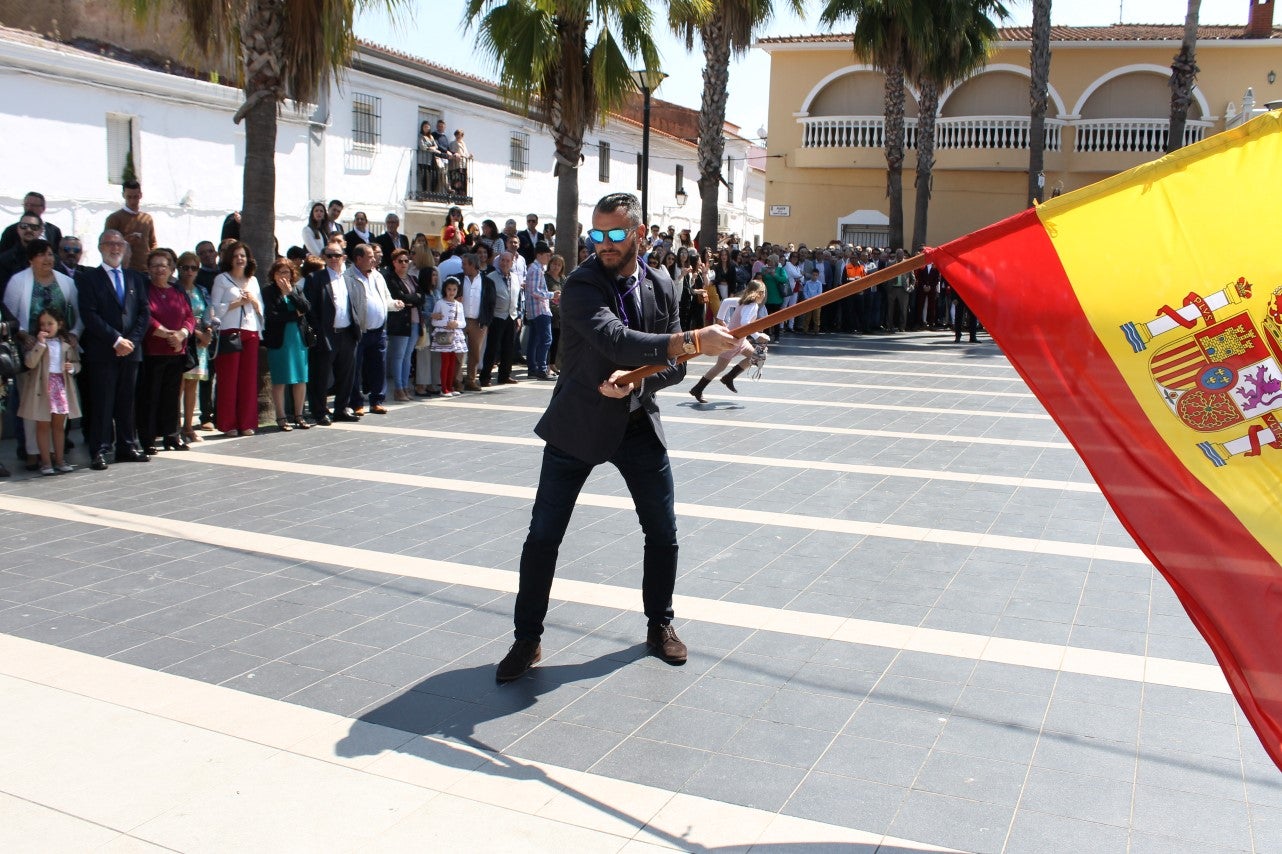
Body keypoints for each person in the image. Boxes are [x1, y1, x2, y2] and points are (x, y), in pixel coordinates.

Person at [495, 192, 739, 683]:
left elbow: (672, 367)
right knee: (543, 535)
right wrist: (693, 340)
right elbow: (615, 340)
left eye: (614, 234)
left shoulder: (662, 284)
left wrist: (638, 382)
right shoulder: (583, 283)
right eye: (597, 233)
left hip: (637, 422)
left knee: (662, 531)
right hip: (577, 423)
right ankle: (527, 639)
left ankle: (660, 624)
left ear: (639, 234)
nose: (603, 243)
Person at [76, 229, 151, 469]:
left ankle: (127, 446)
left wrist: (132, 341)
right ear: (100, 247)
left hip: (131, 351)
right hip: (104, 351)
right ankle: (100, 449)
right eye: (110, 244)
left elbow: (144, 312)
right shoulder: (89, 278)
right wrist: (116, 340)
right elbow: (89, 314)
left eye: (119, 244)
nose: (115, 248)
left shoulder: (135, 278)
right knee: (102, 402)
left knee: (127, 401)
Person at [137, 249, 195, 453]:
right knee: (151, 397)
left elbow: (190, 316)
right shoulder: (145, 290)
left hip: (176, 352)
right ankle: (148, 439)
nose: (159, 269)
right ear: (148, 269)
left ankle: (172, 436)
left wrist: (182, 334)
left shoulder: (177, 291)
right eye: (154, 265)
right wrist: (165, 333)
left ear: (171, 269)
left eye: (163, 265)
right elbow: (144, 315)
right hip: (152, 353)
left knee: (172, 398)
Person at [210, 240, 263, 437]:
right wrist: (236, 303)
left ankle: (247, 422)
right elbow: (214, 309)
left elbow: (260, 308)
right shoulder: (221, 279)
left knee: (248, 380)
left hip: (251, 332)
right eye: (235, 256)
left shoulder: (253, 280)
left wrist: (254, 301)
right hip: (230, 332)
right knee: (229, 380)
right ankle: (228, 424)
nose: (240, 259)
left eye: (243, 255)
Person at [18, 307, 80, 475]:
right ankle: (45, 462)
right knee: (42, 425)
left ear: (59, 324)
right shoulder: (37, 343)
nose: (45, 327)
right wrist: (40, 344)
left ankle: (59, 459)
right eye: (42, 324)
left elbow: (77, 363)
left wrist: (72, 367)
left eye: (50, 324)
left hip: (60, 386)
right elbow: (30, 363)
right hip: (42, 388)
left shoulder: (65, 344)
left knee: (58, 426)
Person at [304, 239, 360, 424]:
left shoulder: (348, 279)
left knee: (346, 375)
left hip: (347, 333)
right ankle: (319, 411)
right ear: (324, 257)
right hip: (326, 334)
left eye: (337, 255)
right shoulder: (315, 278)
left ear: (344, 257)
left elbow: (353, 305)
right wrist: (319, 332)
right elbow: (310, 309)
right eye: (329, 255)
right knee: (320, 375)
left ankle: (341, 409)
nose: (334, 259)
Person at [688, 280, 769, 403]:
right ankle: (698, 388)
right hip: (731, 342)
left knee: (757, 357)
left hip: (739, 341)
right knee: (719, 367)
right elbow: (745, 322)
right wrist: (757, 336)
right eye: (763, 293)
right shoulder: (752, 305)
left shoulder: (743, 301)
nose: (764, 296)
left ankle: (728, 378)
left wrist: (720, 318)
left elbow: (726, 302)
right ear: (760, 293)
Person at [345, 243, 403, 415]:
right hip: (359, 331)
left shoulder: (377, 276)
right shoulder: (348, 277)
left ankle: (377, 401)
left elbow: (386, 299)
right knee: (355, 369)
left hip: (379, 330)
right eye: (370, 257)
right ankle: (356, 403)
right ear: (358, 259)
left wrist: (394, 304)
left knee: (379, 367)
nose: (374, 259)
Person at [261, 259, 312, 430]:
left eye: (286, 272)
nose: (283, 276)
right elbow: (272, 315)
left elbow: (306, 308)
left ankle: (299, 415)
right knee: (280, 379)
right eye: (279, 272)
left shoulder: (296, 289)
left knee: (300, 378)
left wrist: (290, 293)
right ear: (273, 275)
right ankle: (281, 417)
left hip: (298, 339)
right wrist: (294, 315)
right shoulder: (268, 292)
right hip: (279, 340)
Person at [175, 252, 213, 443]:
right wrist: (197, 334)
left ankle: (188, 427)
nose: (189, 271)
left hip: (200, 345)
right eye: (185, 267)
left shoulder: (202, 290)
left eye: (194, 268)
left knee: (193, 386)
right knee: (179, 386)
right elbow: (177, 316)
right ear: (178, 268)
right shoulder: (175, 289)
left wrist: (208, 332)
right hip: (183, 340)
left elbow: (208, 313)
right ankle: (175, 427)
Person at [384, 248, 424, 401]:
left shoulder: (413, 279)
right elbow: (399, 297)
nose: (404, 263)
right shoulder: (391, 279)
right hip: (400, 322)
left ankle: (405, 387)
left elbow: (422, 297)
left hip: (415, 321)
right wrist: (413, 298)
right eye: (400, 261)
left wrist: (411, 299)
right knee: (398, 356)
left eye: (406, 261)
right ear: (394, 262)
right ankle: (398, 388)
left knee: (408, 356)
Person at [480, 251, 521, 387]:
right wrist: (486, 319)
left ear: (512, 263)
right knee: (492, 348)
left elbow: (519, 298)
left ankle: (505, 375)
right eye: (502, 260)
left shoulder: (515, 277)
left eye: (507, 261)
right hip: (496, 317)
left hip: (512, 316)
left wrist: (519, 316)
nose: (504, 263)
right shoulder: (490, 277)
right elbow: (486, 300)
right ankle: (485, 377)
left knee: (508, 348)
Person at [104, 181, 157, 273]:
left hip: (145, 271)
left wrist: (153, 262)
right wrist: (124, 241)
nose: (132, 201)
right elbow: (106, 245)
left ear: (140, 195)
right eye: (129, 197)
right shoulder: (114, 218)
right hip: (124, 270)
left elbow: (153, 243)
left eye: (135, 197)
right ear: (123, 195)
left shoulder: (147, 219)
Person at [430, 276, 467, 396]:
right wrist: (447, 323)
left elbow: (463, 322)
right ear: (445, 289)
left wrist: (456, 324)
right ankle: (444, 388)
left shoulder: (459, 305)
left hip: (455, 335)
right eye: (449, 289)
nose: (451, 292)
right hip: (444, 335)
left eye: (454, 289)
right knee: (445, 362)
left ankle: (450, 387)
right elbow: (434, 322)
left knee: (452, 362)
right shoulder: (440, 303)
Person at [523, 242, 554, 380]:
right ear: (539, 255)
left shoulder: (535, 268)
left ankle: (533, 369)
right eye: (547, 255)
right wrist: (552, 295)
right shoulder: (536, 269)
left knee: (534, 340)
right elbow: (535, 291)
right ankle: (541, 369)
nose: (549, 258)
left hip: (535, 309)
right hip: (539, 309)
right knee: (546, 339)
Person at [414, 267, 441, 396]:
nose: (435, 277)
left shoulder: (437, 292)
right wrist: (431, 315)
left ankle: (432, 384)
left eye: (436, 275)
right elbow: (419, 311)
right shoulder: (421, 293)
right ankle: (421, 385)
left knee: (436, 357)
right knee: (423, 357)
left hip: (437, 329)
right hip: (425, 328)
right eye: (433, 275)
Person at [545, 254, 565, 376]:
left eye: (559, 265)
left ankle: (552, 363)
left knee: (556, 339)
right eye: (554, 264)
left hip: (559, 314)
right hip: (547, 312)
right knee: (547, 340)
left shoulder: (563, 278)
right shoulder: (545, 277)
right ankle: (545, 364)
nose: (556, 267)